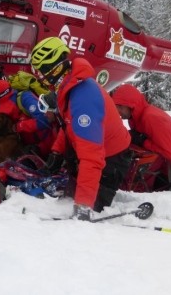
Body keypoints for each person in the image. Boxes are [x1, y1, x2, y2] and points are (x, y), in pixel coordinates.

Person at [30, 37, 132, 220]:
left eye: (41, 70)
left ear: (54, 68)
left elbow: (92, 157)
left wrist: (83, 206)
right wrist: (56, 152)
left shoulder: (83, 98)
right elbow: (69, 124)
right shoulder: (68, 85)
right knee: (69, 193)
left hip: (111, 158)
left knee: (88, 203)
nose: (39, 76)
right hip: (92, 150)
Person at [111, 83, 171, 193]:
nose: (118, 111)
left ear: (131, 105)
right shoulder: (135, 118)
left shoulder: (151, 117)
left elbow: (170, 153)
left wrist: (143, 141)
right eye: (116, 107)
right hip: (164, 169)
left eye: (121, 107)